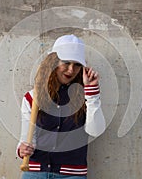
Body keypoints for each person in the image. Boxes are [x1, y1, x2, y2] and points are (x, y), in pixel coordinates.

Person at [17, 34, 106, 179]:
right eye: (66, 62)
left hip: (71, 175)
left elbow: (96, 130)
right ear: (53, 62)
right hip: (35, 172)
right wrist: (22, 149)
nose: (71, 70)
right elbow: (26, 139)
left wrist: (92, 93)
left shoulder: (86, 97)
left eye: (77, 64)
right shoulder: (33, 97)